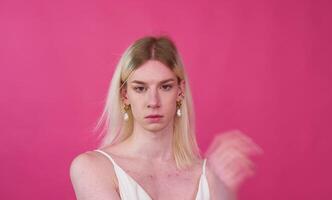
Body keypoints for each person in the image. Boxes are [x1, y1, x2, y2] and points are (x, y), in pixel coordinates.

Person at [70, 36, 262, 200]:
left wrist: (223, 194)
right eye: (140, 88)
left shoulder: (213, 177)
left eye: (165, 87)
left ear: (180, 91)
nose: (153, 101)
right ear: (124, 95)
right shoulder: (91, 168)